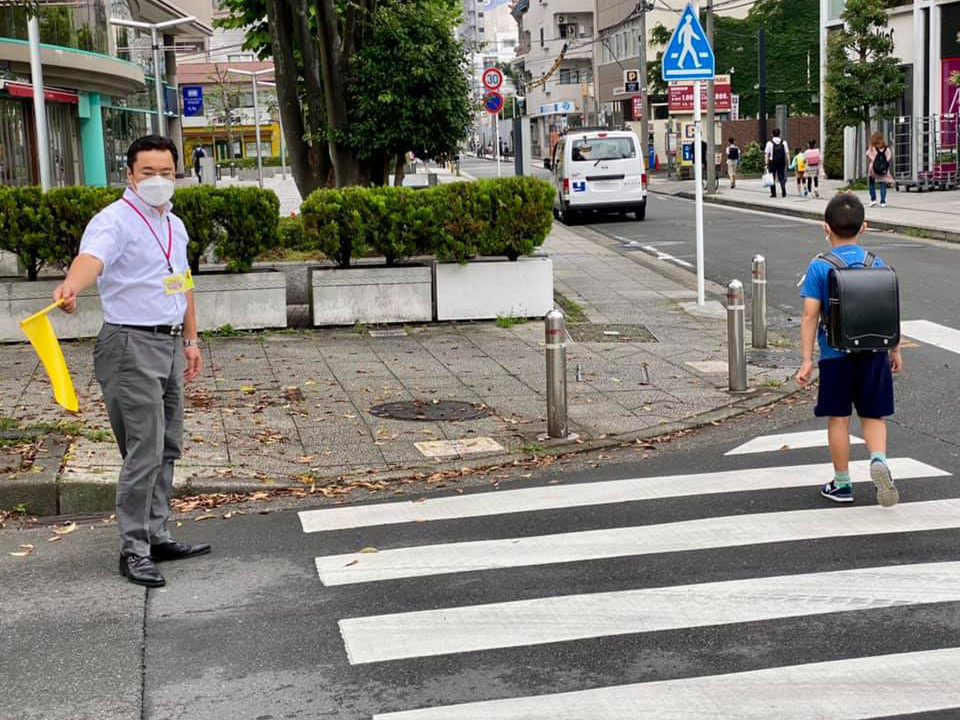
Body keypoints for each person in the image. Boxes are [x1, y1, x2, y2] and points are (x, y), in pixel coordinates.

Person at [54, 135, 209, 588]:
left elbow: (182, 282)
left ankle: (157, 534)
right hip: (129, 345)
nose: (159, 181)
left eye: (166, 172)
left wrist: (192, 339)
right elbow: (91, 259)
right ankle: (134, 549)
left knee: (168, 445)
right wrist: (71, 287)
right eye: (148, 173)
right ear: (130, 174)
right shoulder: (114, 221)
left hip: (168, 342)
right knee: (143, 450)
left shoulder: (172, 224)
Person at [795, 193, 901, 507]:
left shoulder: (819, 267)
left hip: (835, 355)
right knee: (874, 414)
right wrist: (894, 348)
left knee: (839, 418)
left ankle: (842, 483)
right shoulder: (875, 262)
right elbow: (887, 308)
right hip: (874, 351)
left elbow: (809, 315)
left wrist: (806, 360)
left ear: (825, 228)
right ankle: (879, 459)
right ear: (864, 227)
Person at [866, 132, 893, 208]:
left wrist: (875, 160)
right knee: (883, 184)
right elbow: (889, 156)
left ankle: (873, 200)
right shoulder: (886, 148)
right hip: (883, 169)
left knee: (872, 183)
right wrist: (884, 162)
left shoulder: (872, 147)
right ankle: (883, 201)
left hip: (873, 168)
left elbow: (868, 154)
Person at [764, 128, 789, 198]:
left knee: (772, 177)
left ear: (772, 134)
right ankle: (783, 190)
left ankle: (773, 193)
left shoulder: (769, 143)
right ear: (779, 134)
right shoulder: (784, 142)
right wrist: (788, 162)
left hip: (772, 163)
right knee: (781, 177)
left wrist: (766, 164)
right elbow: (787, 153)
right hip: (781, 162)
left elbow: (766, 154)